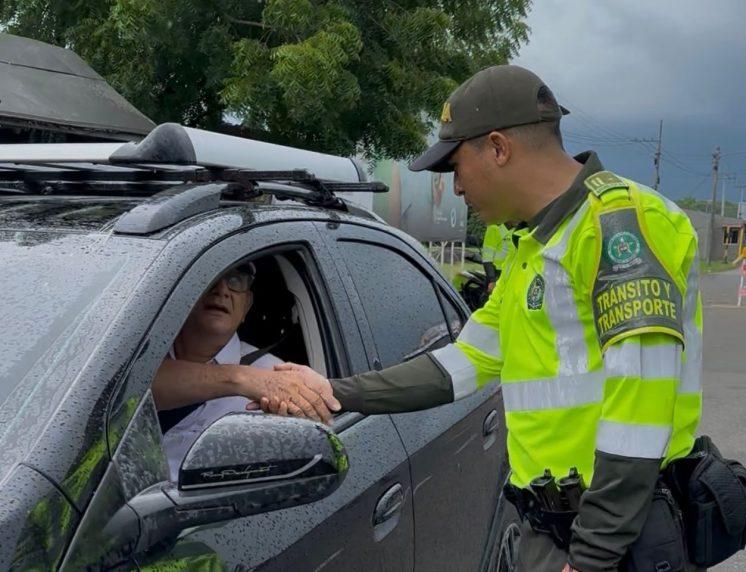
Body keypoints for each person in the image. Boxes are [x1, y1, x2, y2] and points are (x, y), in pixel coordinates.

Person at [268, 65, 704, 571]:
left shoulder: (619, 224)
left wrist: (590, 559)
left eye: (456, 166)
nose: (455, 188)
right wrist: (334, 389)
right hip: (556, 528)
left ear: (498, 148)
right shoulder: (536, 247)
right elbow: (462, 364)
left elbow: (640, 410)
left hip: (617, 542)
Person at [151, 262, 339, 476]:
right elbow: (127, 386)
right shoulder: (140, 354)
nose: (222, 290)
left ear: (246, 306)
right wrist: (239, 378)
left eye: (235, 281)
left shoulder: (278, 380)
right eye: (210, 277)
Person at [481, 222, 514, 291]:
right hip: (496, 274)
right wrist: (492, 280)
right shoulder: (494, 229)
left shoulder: (517, 231)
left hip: (510, 275)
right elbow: (487, 258)